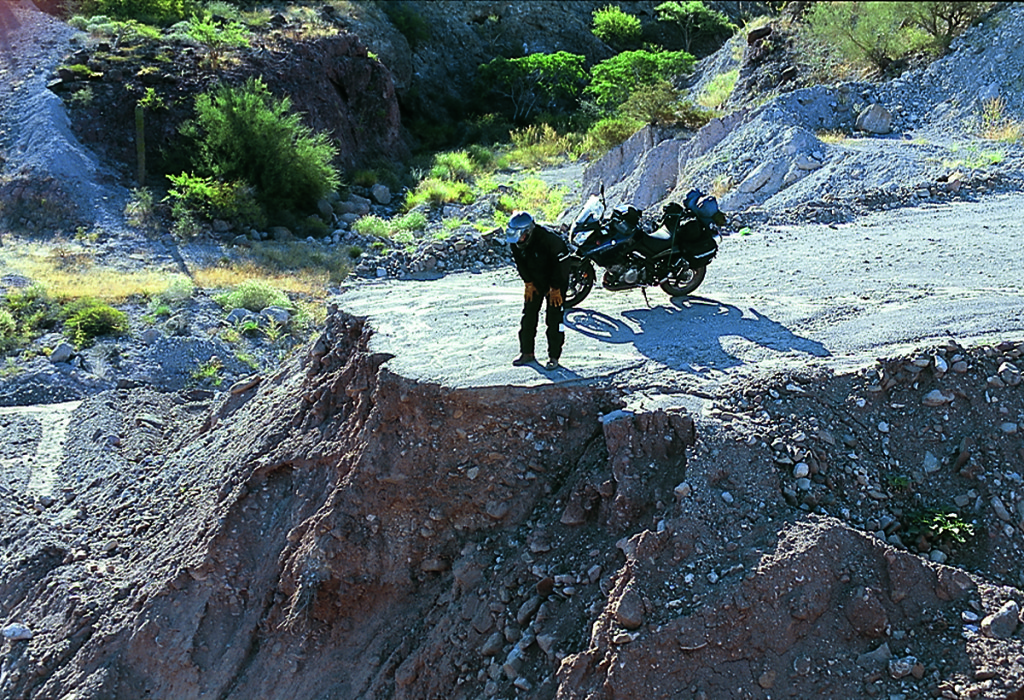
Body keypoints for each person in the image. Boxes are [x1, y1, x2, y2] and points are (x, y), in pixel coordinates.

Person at [505, 210, 569, 370]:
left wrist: (556, 288)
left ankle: (554, 356)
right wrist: (528, 282)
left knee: (555, 321)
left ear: (528, 231)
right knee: (528, 316)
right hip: (535, 281)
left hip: (556, 282)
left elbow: (562, 267)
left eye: (519, 236)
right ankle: (527, 353)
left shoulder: (551, 240)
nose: (517, 240)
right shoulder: (515, 242)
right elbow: (520, 263)